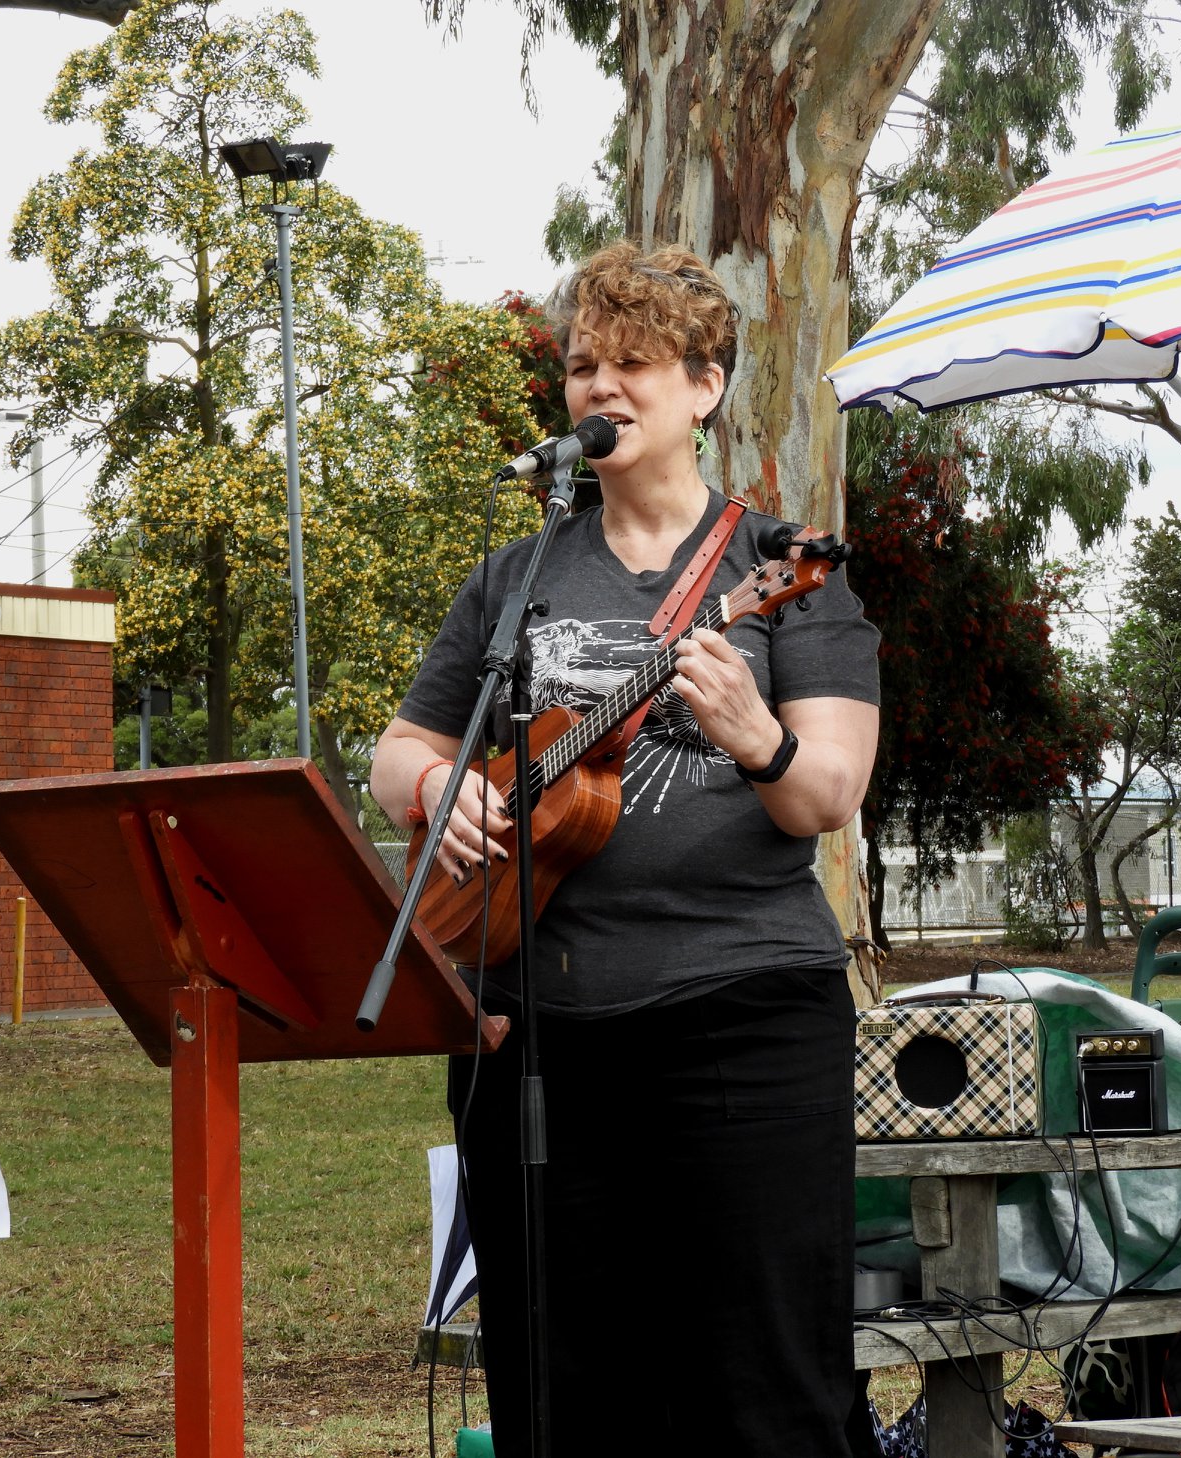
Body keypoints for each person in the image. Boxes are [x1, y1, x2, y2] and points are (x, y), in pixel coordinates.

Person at [372, 241, 880, 1455]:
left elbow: (828, 791)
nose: (600, 386)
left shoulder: (787, 573)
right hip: (540, 1031)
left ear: (705, 386)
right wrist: (440, 786)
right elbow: (398, 753)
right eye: (583, 365)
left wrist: (757, 737)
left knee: (763, 1384)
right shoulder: (517, 578)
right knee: (561, 1382)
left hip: (745, 1017)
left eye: (634, 363)